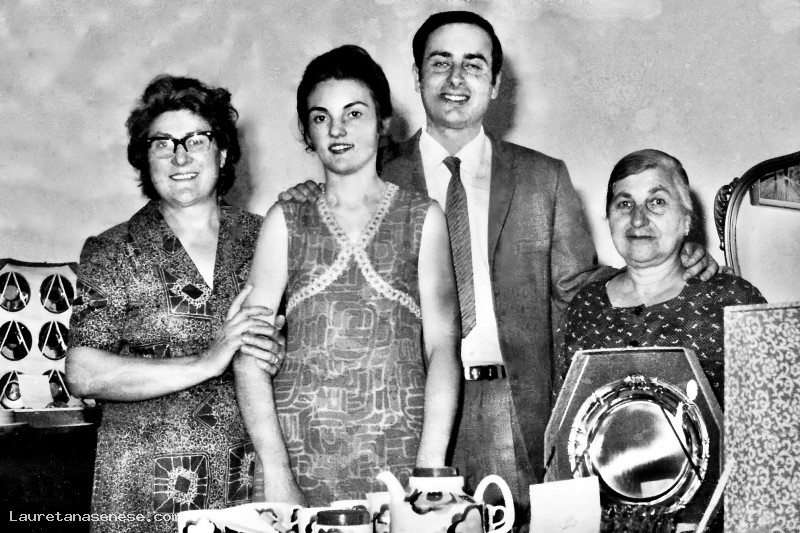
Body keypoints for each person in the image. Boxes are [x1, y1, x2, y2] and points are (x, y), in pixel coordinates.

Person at [279, 11, 718, 527]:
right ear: (417, 76)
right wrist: (306, 200)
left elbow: (582, 290)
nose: (456, 79)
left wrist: (669, 265)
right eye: (440, 63)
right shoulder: (375, 176)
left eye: (473, 64)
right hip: (407, 418)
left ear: (495, 82)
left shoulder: (543, 177)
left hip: (518, 414)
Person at [234, 45, 461, 506]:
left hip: (400, 457)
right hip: (298, 460)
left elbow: (442, 347)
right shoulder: (285, 220)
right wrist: (276, 473)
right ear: (307, 131)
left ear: (383, 122)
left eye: (354, 113)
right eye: (321, 117)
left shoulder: (422, 217)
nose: (337, 130)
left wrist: (429, 472)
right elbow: (249, 354)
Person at [65, 75, 285, 531]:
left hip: (249, 475)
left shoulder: (266, 236)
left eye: (196, 140)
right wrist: (207, 361)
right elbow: (83, 372)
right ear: (145, 160)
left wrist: (283, 352)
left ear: (222, 153)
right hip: (144, 484)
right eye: (162, 143)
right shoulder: (114, 250)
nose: (180, 157)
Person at [558, 149, 765, 532]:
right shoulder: (586, 305)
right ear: (609, 218)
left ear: (686, 219)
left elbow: (772, 433)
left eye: (657, 202)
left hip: (715, 521)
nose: (638, 218)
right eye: (624, 203)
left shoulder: (732, 300)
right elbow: (566, 429)